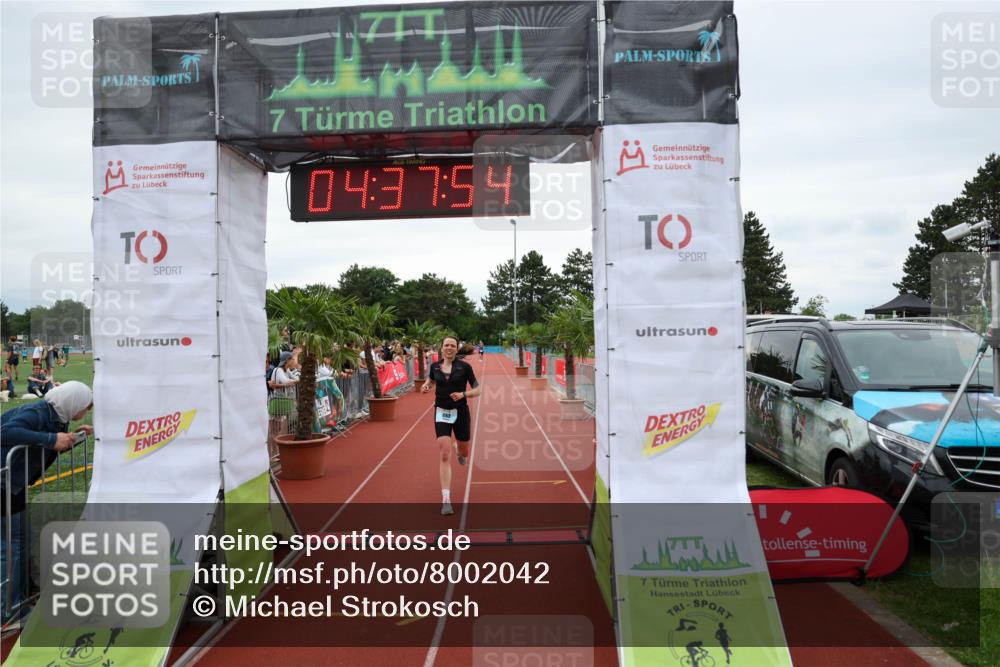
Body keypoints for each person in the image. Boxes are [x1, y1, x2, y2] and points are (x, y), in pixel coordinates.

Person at [1, 381, 93, 622]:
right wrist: (52, 438)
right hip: (4, 482)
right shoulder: (37, 412)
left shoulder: (57, 417)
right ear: (73, 401)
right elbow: (6, 433)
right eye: (87, 405)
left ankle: (19, 597)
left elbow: (47, 448)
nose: (88, 410)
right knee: (11, 545)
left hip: (13, 483)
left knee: (20, 540)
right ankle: (8, 609)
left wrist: (73, 439)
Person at [421, 336, 481, 516]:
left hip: (461, 413)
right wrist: (426, 385)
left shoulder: (465, 367)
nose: (449, 348)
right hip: (441, 412)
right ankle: (446, 499)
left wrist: (464, 394)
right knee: (444, 453)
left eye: (452, 346)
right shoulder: (434, 367)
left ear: (456, 349)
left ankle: (459, 448)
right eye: (446, 345)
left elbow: (478, 389)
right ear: (441, 348)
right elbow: (431, 382)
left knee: (464, 452)